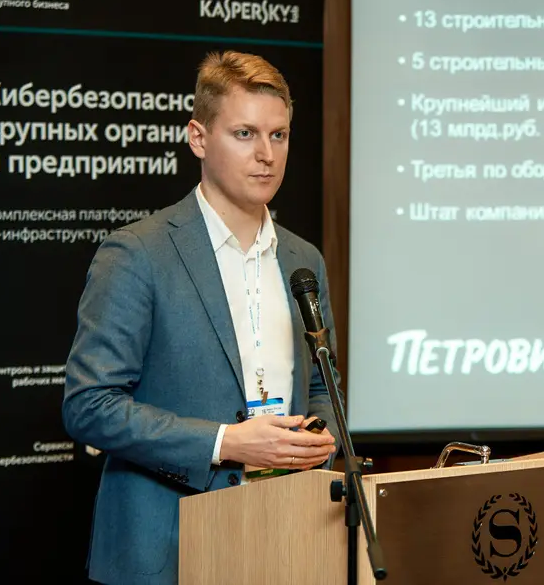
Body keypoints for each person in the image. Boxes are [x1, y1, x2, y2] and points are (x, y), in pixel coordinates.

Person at [63, 50, 340, 585]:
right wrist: (225, 442)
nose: (266, 155)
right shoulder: (138, 253)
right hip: (165, 550)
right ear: (198, 138)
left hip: (285, 542)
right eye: (244, 134)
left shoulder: (303, 260)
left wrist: (318, 437)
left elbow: (321, 387)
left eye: (279, 135)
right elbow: (89, 406)